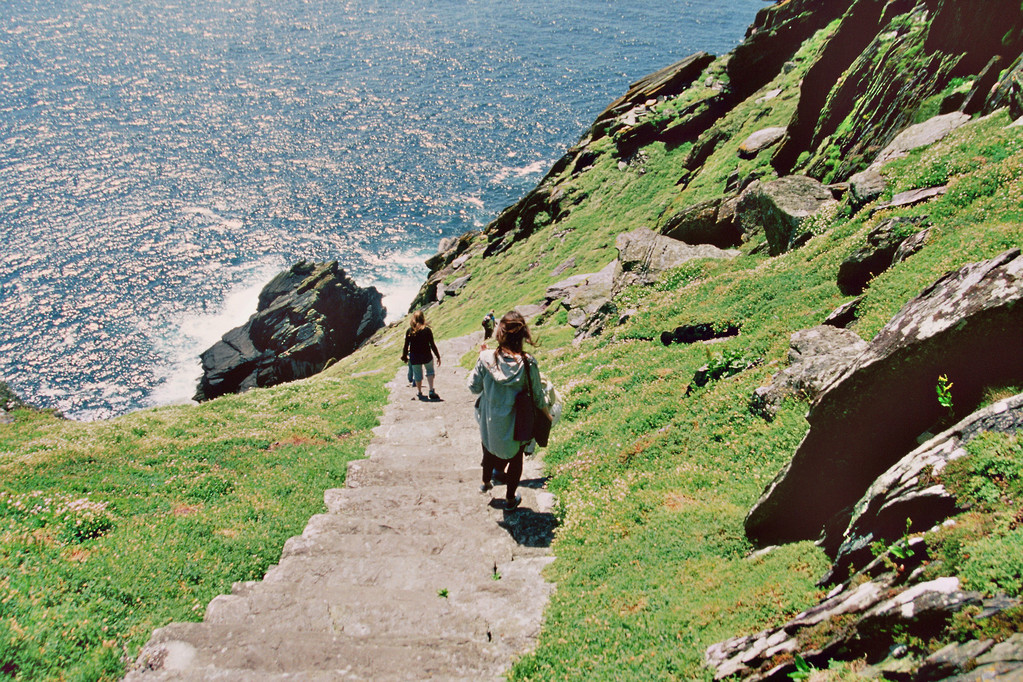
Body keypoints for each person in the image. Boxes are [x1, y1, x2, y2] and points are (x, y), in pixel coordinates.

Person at [467, 310, 551, 510]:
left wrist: (480, 358)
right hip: (517, 425)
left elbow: (473, 387)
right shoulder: (528, 363)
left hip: (489, 421)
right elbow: (538, 397)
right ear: (523, 336)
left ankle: (486, 483)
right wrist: (547, 415)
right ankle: (511, 499)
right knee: (516, 460)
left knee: (487, 450)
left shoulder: (486, 358)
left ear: (500, 333)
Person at [401, 310, 442, 401]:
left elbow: (406, 346)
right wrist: (438, 356)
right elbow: (432, 344)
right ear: (422, 318)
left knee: (417, 375)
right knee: (430, 371)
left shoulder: (410, 331)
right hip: (426, 355)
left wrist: (404, 356)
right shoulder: (427, 330)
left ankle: (419, 392)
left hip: (415, 357)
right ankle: (431, 390)